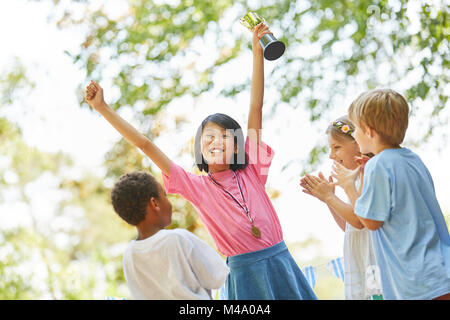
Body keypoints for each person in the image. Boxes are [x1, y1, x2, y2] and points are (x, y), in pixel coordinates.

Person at [84, 23, 316, 300]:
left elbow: (256, 106)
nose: (216, 142)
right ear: (199, 148)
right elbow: (145, 144)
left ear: (238, 145)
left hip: (280, 261)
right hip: (243, 274)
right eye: (209, 138)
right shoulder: (196, 186)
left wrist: (257, 53)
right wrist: (103, 108)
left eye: (224, 136)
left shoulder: (252, 170)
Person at [334, 89, 449, 300]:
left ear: (369, 131)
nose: (355, 135)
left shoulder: (379, 165)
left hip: (415, 281)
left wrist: (349, 186)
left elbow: (369, 221)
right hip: (440, 270)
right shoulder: (412, 159)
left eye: (356, 129)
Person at [110, 171, 229, 300]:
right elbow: (218, 278)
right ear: (154, 203)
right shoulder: (178, 239)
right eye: (165, 196)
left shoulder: (129, 254)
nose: (169, 203)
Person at [300, 116, 381, 300]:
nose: (331, 155)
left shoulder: (369, 174)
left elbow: (359, 221)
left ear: (358, 144)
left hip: (375, 263)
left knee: (378, 295)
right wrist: (330, 199)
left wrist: (328, 196)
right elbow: (348, 226)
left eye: (337, 147)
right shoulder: (355, 180)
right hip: (362, 263)